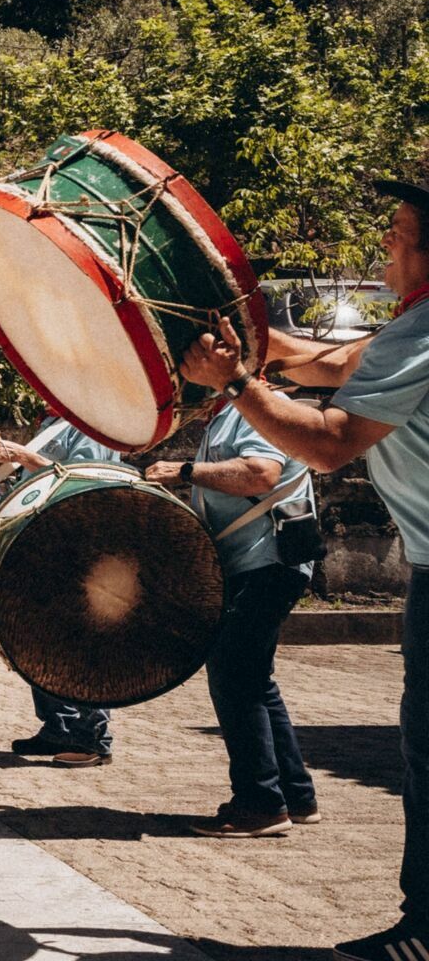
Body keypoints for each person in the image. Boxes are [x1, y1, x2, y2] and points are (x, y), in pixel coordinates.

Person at [179, 177, 429, 961]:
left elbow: (326, 440)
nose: (385, 241)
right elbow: (333, 361)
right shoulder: (406, 330)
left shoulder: (423, 334)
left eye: (399, 231)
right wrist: (254, 343)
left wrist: (238, 382)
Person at [147, 403, 318, 837]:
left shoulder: (249, 408)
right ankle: (295, 795)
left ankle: (260, 804)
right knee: (253, 679)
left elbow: (261, 474)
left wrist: (186, 471)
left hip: (268, 563)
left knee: (233, 675)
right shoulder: (226, 415)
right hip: (255, 564)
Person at [0, 414, 121, 768]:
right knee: (44, 638)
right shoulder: (54, 423)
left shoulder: (94, 426)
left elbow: (83, 479)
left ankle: (92, 736)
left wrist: (27, 458)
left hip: (82, 543)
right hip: (50, 539)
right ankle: (58, 727)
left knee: (83, 640)